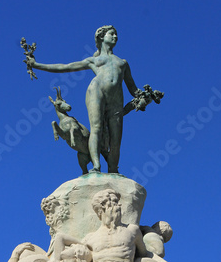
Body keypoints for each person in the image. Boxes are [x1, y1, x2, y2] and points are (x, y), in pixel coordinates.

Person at [27, 25, 144, 173]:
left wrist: (145, 96)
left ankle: (113, 169)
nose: (115, 37)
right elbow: (65, 67)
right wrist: (36, 65)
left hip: (117, 99)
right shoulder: (94, 60)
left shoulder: (123, 63)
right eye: (112, 34)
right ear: (101, 37)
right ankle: (96, 166)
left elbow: (134, 89)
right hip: (96, 91)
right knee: (96, 128)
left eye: (116, 35)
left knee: (116, 138)